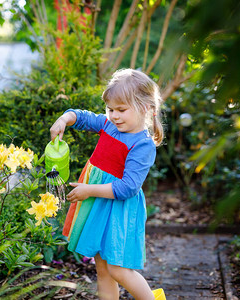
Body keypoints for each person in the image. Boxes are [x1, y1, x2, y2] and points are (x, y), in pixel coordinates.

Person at [50, 69, 165, 300]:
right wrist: (64, 119)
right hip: (100, 207)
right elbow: (82, 117)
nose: (114, 116)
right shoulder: (109, 125)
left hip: (119, 211)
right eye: (111, 109)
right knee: (102, 269)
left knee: (118, 269)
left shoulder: (143, 145)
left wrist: (89, 190)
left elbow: (127, 188)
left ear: (147, 109)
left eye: (121, 110)